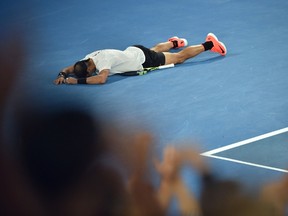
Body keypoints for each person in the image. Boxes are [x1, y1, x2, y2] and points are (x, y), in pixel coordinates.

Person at [54, 33, 227, 85]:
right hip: (134, 50)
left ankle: (210, 45)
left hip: (144, 60)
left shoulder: (102, 63)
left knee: (179, 58)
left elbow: (101, 79)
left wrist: (77, 82)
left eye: (88, 73)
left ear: (89, 69)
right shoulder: (88, 58)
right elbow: (71, 68)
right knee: (156, 49)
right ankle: (174, 42)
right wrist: (62, 74)